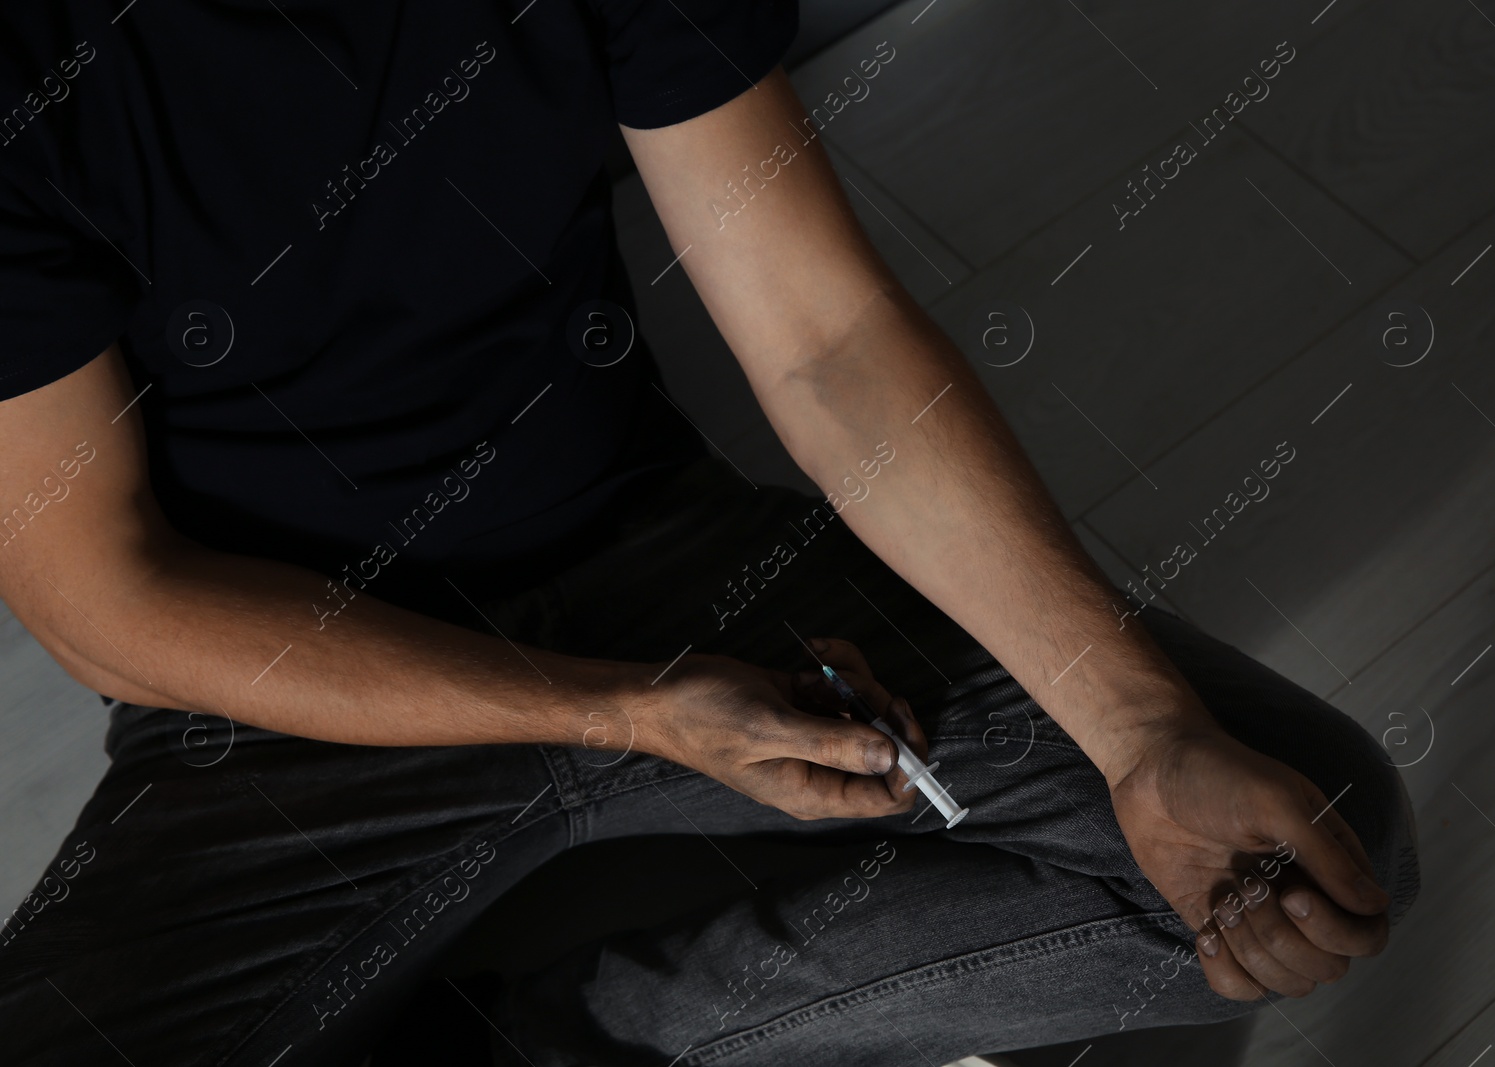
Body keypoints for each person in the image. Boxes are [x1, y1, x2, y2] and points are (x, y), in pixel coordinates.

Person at [0, 2, 1418, 1064]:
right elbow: (103, 599)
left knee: (1295, 863)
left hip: (658, 557)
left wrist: (1142, 733)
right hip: (297, 687)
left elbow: (828, 339)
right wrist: (619, 718)